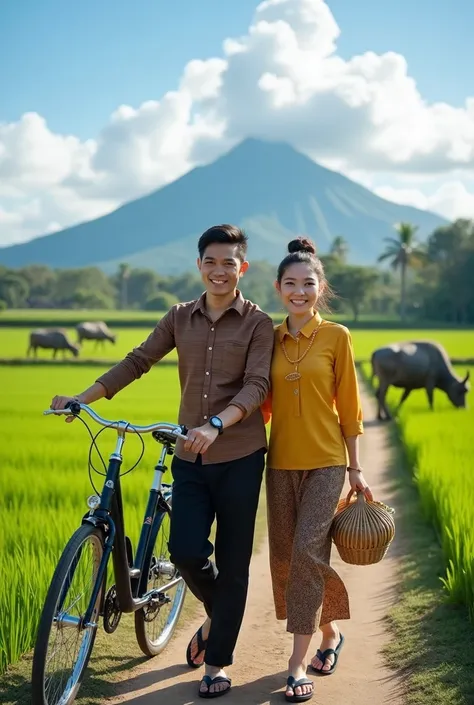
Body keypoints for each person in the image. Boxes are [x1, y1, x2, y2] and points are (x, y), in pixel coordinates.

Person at [50, 224, 275, 699]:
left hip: (239, 455)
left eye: (228, 262)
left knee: (233, 563)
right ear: (199, 264)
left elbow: (257, 387)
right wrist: (83, 397)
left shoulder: (257, 324)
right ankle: (224, 614)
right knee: (186, 552)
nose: (219, 270)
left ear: (243, 268)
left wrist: (215, 424)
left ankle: (217, 664)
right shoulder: (179, 317)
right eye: (210, 261)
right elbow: (138, 360)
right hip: (189, 456)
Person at [261, 237, 372, 703]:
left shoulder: (336, 337)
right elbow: (258, 403)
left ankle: (296, 661)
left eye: (308, 283)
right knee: (287, 560)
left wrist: (355, 468)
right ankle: (329, 635)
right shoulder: (266, 337)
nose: (299, 291)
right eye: (291, 284)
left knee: (308, 553)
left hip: (326, 463)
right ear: (278, 287)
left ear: (320, 287)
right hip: (279, 462)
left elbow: (349, 407)